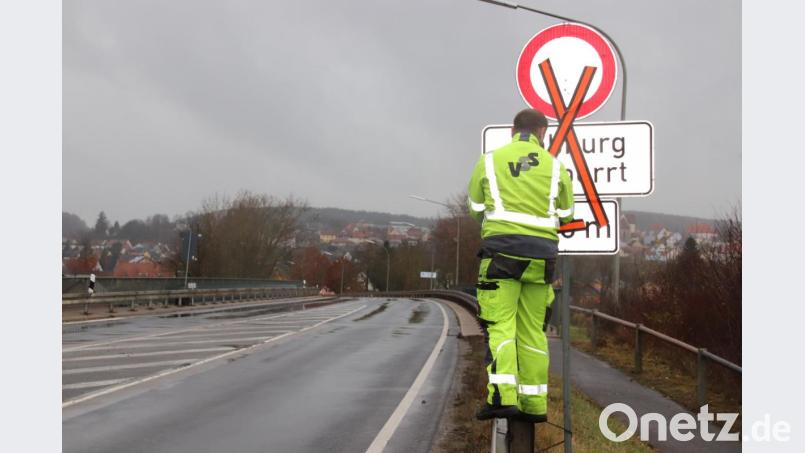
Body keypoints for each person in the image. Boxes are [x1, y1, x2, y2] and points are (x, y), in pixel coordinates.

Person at [467, 108, 574, 422]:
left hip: (501, 255)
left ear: (513, 132)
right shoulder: (556, 167)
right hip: (541, 257)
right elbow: (567, 214)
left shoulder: (489, 161)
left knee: (500, 326)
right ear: (543, 133)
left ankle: (502, 397)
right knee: (532, 331)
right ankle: (535, 404)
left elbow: (475, 208)